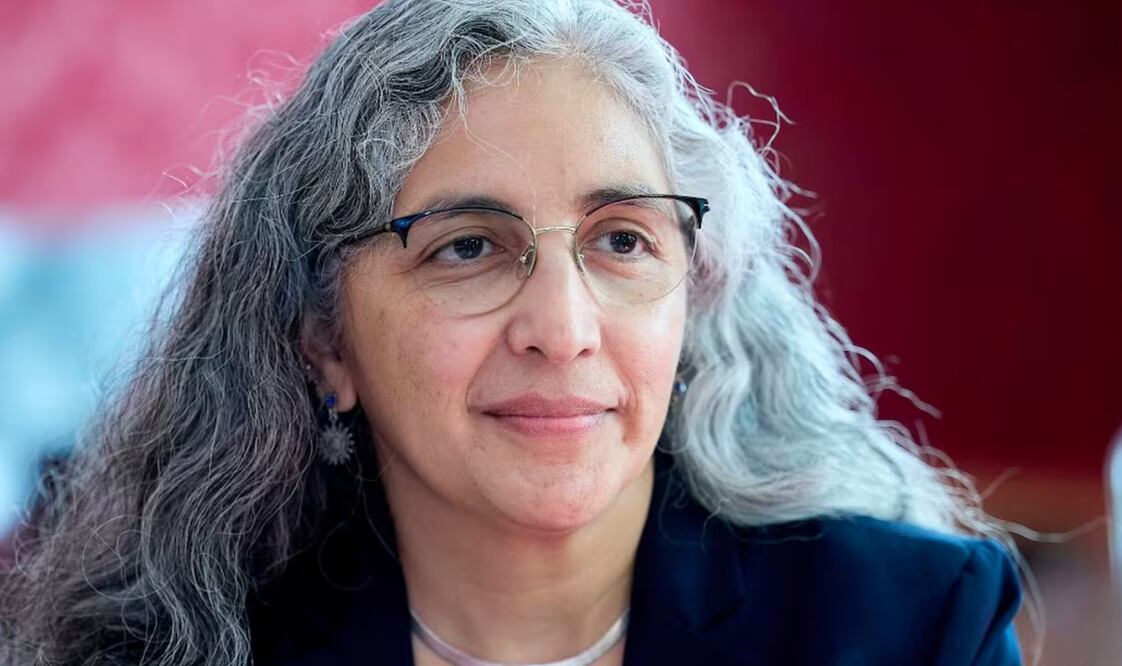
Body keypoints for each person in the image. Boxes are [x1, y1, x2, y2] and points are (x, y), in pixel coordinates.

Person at [0, 1, 1025, 664]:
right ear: (324, 338)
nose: (563, 328)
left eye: (621, 241)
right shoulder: (173, 651)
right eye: (466, 249)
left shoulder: (910, 624)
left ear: (692, 293)